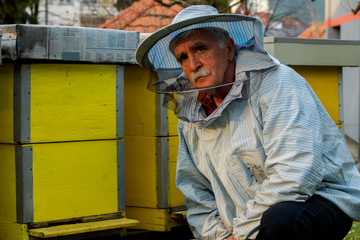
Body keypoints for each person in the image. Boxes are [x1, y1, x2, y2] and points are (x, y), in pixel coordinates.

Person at [135, 5, 360, 240]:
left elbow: (294, 175)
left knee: (281, 221)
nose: (193, 65)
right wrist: (220, 236)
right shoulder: (191, 116)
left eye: (200, 49)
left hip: (320, 200)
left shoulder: (278, 84)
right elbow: (197, 195)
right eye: (183, 57)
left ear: (229, 49)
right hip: (248, 220)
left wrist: (241, 234)